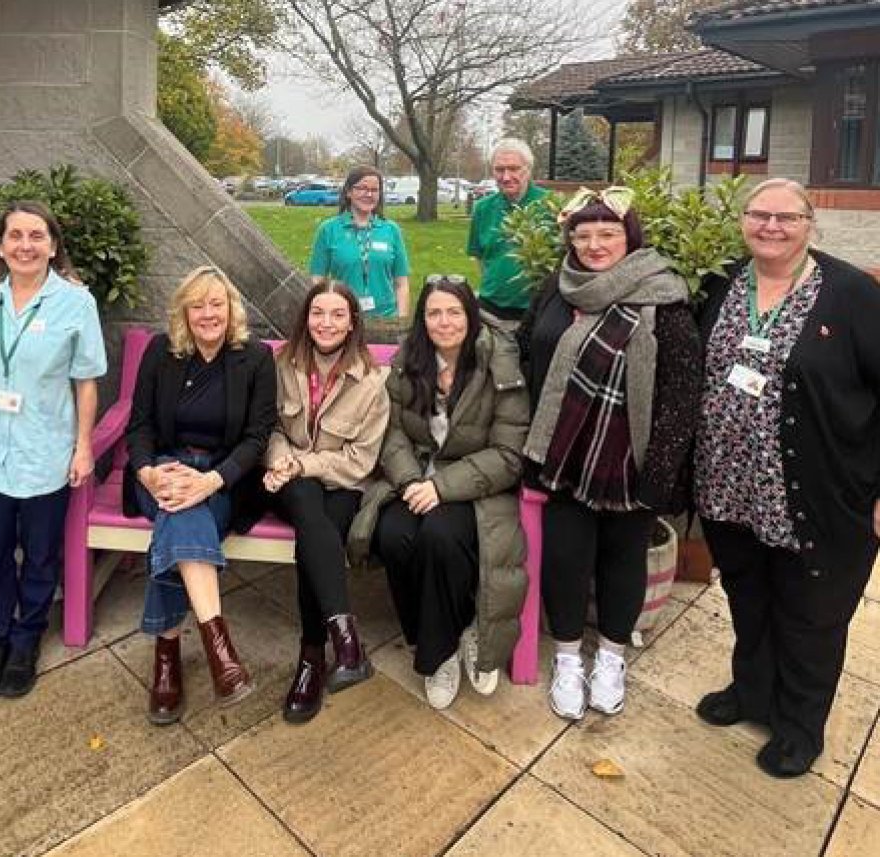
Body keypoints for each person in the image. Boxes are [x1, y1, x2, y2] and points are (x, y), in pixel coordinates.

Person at [693, 178, 880, 778]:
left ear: (810, 222)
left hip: (819, 493)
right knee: (748, 598)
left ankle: (800, 726)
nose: (771, 226)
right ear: (742, 220)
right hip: (730, 487)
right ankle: (752, 692)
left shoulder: (850, 294)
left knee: (811, 613)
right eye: (759, 215)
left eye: (786, 217)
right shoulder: (722, 282)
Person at [518, 187, 700, 722]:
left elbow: (682, 391)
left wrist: (660, 472)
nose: (595, 245)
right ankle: (570, 659)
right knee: (566, 561)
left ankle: (613, 659)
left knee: (624, 561)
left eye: (607, 234)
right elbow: (527, 347)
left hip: (632, 462)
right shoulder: (557, 288)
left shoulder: (662, 295)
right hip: (563, 455)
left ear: (630, 238)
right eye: (583, 234)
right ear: (570, 239)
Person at [349, 277, 529, 710]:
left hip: (477, 486)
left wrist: (441, 488)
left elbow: (508, 453)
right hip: (414, 478)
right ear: (422, 319)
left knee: (440, 537)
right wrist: (412, 482)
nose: (444, 322)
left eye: (454, 312)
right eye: (434, 313)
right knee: (392, 535)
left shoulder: (499, 364)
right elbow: (390, 432)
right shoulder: (409, 362)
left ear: (470, 315)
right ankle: (447, 635)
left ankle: (438, 654)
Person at [0, 201, 106, 700]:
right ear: (0, 245)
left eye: (36, 236)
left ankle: (25, 640)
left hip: (45, 447)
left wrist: (84, 447)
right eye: (15, 235)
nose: (25, 245)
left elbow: (86, 382)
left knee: (40, 555)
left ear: (53, 245)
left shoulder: (75, 302)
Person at [125, 266, 277, 724]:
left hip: (222, 479)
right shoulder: (161, 352)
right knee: (177, 504)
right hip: (165, 471)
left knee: (181, 515)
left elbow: (257, 436)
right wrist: (149, 474)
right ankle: (220, 651)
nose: (208, 314)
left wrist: (212, 480)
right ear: (184, 313)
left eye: (217, 303)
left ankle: (167, 656)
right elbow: (140, 426)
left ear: (232, 309)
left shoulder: (255, 358)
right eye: (198, 305)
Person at [264, 281, 388, 723]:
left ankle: (312, 657)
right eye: (318, 313)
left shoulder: (373, 381)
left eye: (338, 315)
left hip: (340, 485)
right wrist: (284, 463)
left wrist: (304, 465)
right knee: (304, 501)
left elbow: (360, 461)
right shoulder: (282, 365)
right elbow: (271, 427)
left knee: (315, 534)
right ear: (306, 318)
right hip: (286, 481)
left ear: (353, 322)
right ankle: (345, 640)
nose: (327, 323)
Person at [466, 139, 551, 326]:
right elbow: (479, 257)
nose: (506, 177)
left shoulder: (549, 205)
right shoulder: (483, 209)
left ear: (528, 170)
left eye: (514, 169)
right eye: (499, 169)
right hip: (491, 310)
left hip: (536, 310)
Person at [309, 166, 411, 319]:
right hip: (343, 319)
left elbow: (401, 283)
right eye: (362, 188)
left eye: (374, 190)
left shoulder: (391, 230)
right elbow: (317, 280)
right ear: (349, 192)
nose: (369, 194)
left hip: (386, 317)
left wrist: (401, 320)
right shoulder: (328, 230)